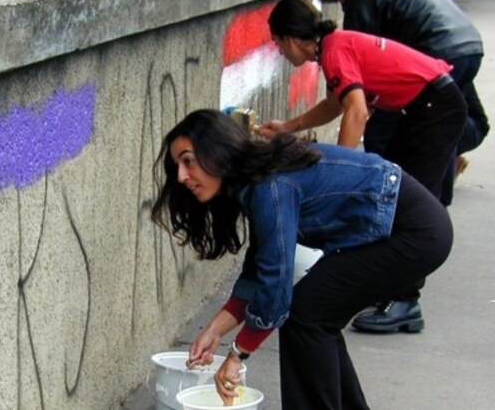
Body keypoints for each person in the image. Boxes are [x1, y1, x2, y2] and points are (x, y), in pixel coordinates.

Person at [151, 109, 452, 409]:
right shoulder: (256, 183)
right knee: (315, 314)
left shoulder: (270, 187)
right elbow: (258, 272)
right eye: (178, 165)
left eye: (188, 160)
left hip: (415, 230)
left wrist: (237, 354)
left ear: (217, 151)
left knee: (307, 314)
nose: (181, 176)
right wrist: (213, 330)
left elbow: (276, 285)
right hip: (411, 226)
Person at [315, 0, 489, 332]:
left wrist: (361, 176)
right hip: (464, 47)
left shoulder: (361, 1)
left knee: (403, 171)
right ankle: (437, 183)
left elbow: (360, 96)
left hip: (436, 64)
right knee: (463, 124)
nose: (344, 12)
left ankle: (406, 297)